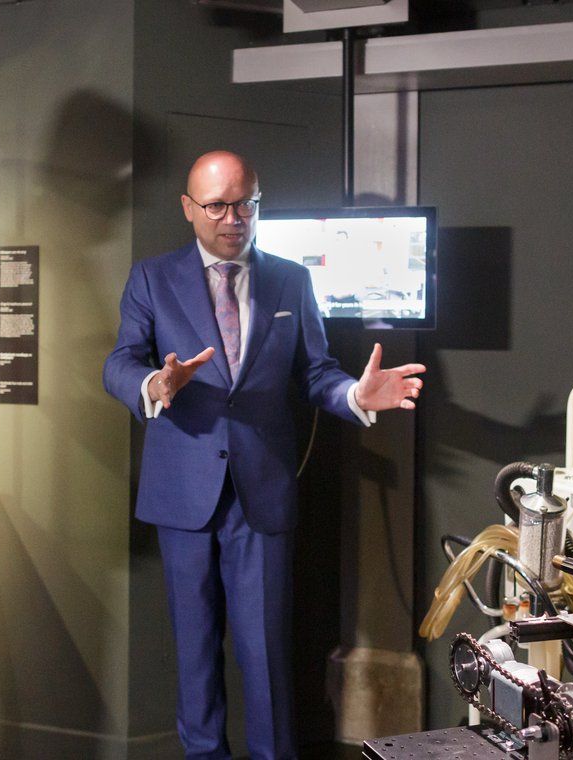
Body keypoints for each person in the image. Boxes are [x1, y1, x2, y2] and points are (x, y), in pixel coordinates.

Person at [102, 150, 425, 760]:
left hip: (262, 493)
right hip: (183, 493)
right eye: (218, 205)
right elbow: (118, 362)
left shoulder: (291, 279)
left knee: (267, 653)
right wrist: (153, 385)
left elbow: (316, 372)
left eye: (246, 203)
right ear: (188, 209)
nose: (233, 218)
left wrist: (355, 393)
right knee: (195, 652)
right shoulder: (151, 277)